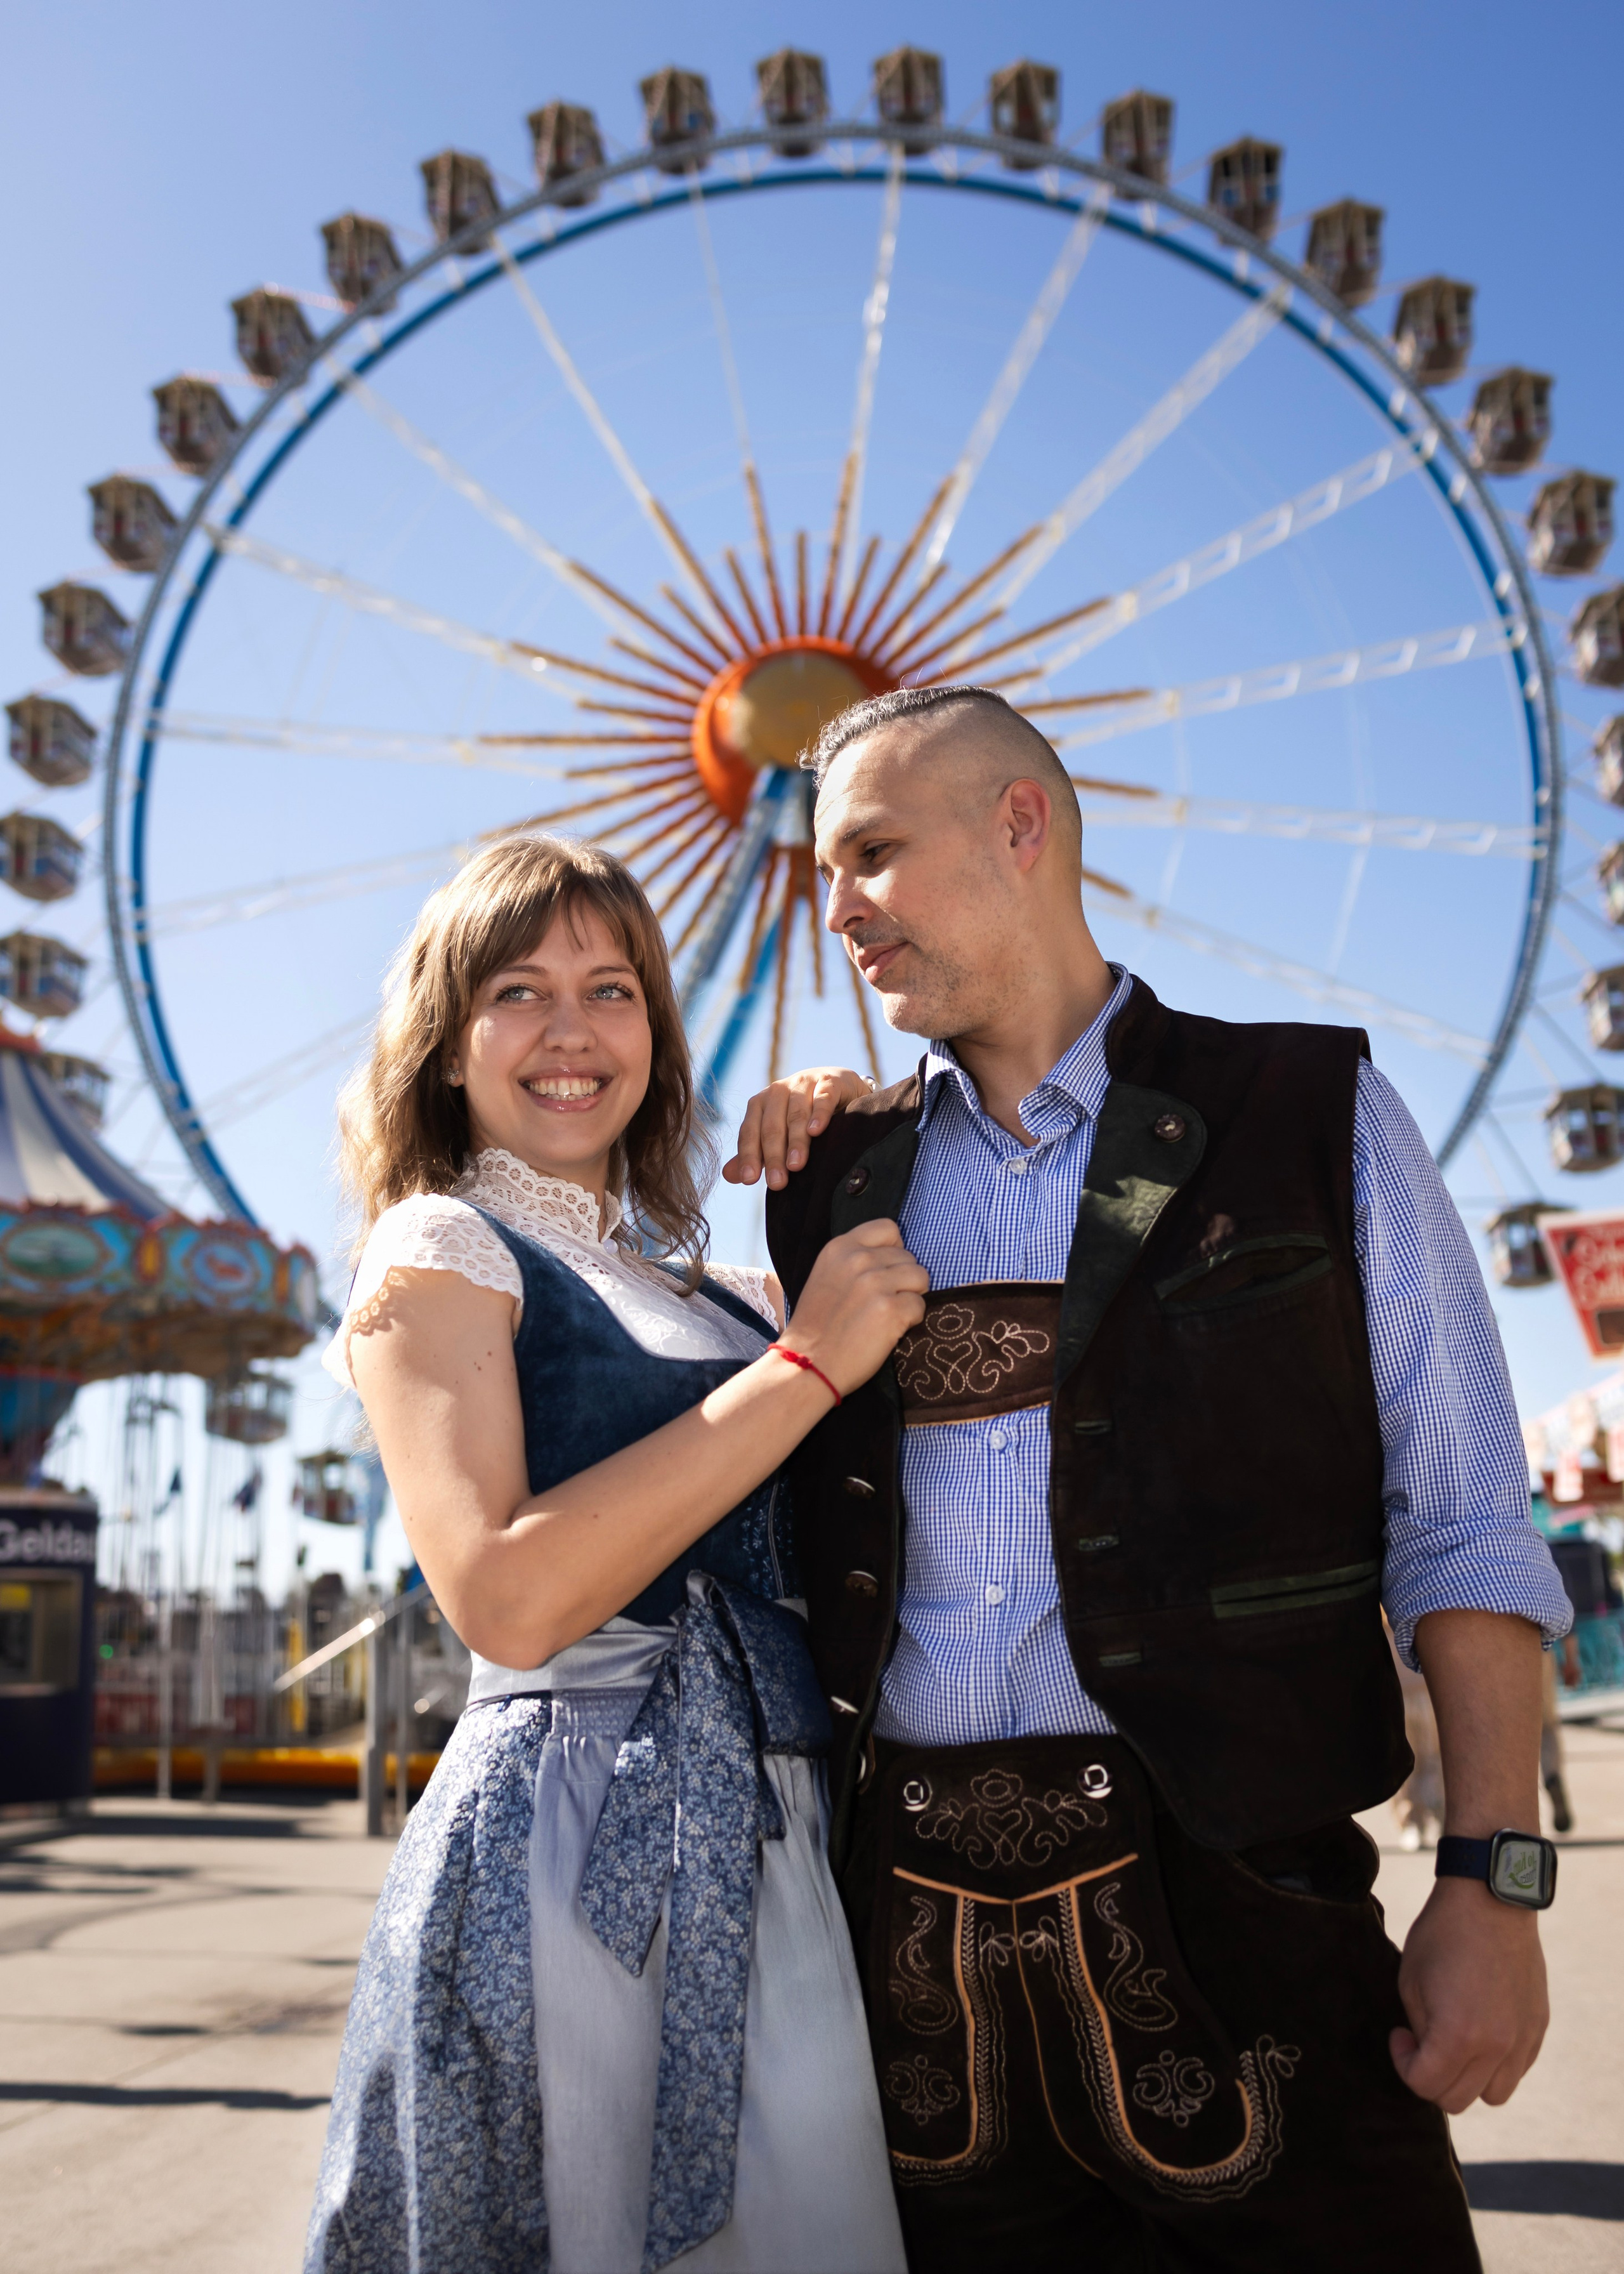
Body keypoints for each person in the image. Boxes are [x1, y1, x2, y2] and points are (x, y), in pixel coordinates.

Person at [724, 683, 1575, 2272]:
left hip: (1250, 1917)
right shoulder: (825, 1182)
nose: (831, 906)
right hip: (908, 1967)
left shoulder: (1313, 1114)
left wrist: (1491, 1879)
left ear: (1021, 826)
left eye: (873, 855)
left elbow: (1459, 1521)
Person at [304, 835, 917, 2274]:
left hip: (773, 1828)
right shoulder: (439, 1244)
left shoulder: (697, 1279)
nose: (572, 1032)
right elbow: (507, 1594)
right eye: (517, 990)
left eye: (612, 988)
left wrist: (846, 1119)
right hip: (577, 1832)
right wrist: (805, 1366)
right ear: (446, 1045)